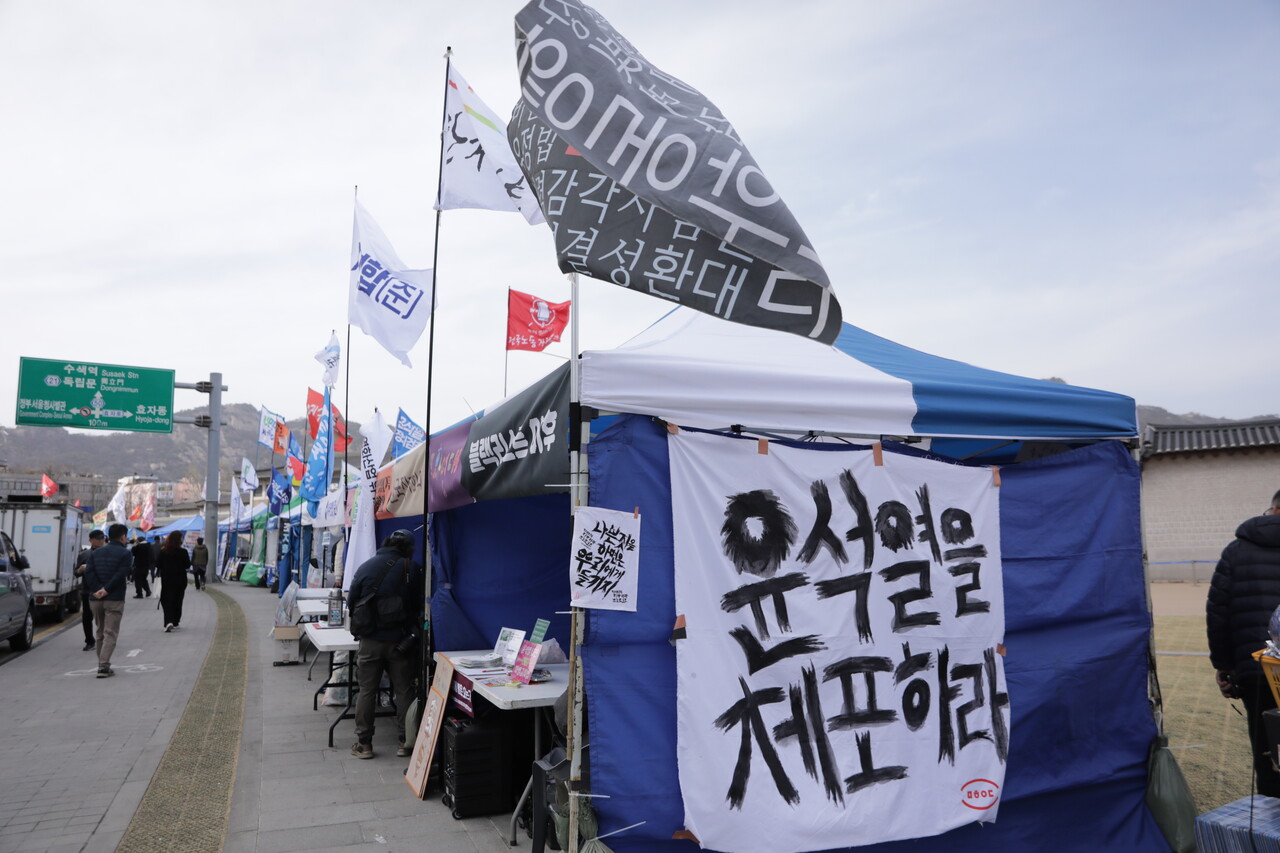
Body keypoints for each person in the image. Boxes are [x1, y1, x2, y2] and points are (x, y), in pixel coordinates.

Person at [1208, 489, 1280, 797]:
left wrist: (1226, 668)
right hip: (1260, 670)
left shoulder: (1237, 551)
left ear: (1274, 510)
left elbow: (1218, 613)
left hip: (1259, 672)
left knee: (1270, 758)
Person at [347, 530, 423, 759]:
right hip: (400, 641)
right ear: (408, 547)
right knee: (404, 690)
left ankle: (364, 744)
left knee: (367, 690)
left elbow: (352, 602)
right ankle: (405, 741)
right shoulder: (412, 568)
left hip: (370, 640)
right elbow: (419, 604)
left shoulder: (365, 567)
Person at [84, 523, 133, 678]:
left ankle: (102, 662)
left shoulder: (95, 553)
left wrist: (97, 589)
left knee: (99, 631)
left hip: (95, 598)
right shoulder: (125, 554)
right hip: (114, 597)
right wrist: (107, 589)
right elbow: (121, 574)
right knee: (110, 632)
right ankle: (103, 666)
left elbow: (89, 573)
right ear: (123, 537)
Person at [73, 529, 106, 651]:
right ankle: (89, 640)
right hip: (88, 591)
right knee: (87, 617)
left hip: (105, 590)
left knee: (104, 617)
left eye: (102, 538)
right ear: (91, 540)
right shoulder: (84, 555)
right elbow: (76, 573)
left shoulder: (107, 553)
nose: (101, 541)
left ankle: (104, 639)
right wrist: (80, 570)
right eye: (98, 539)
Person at [156, 531, 191, 632]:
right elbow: (188, 565)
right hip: (181, 580)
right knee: (178, 600)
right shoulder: (183, 552)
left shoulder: (163, 552)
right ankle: (176, 621)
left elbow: (158, 564)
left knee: (167, 600)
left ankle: (168, 622)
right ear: (179, 540)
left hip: (167, 580)